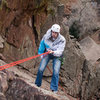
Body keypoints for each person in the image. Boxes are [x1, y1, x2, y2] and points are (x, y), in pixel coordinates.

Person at [35, 24, 66, 92]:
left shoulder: (62, 40)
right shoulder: (46, 36)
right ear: (51, 31)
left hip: (57, 55)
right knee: (41, 69)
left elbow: (60, 51)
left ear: (58, 33)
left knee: (55, 71)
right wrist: (41, 54)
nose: (53, 34)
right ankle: (37, 84)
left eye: (55, 33)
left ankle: (54, 89)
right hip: (47, 53)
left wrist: (53, 52)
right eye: (53, 32)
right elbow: (42, 45)